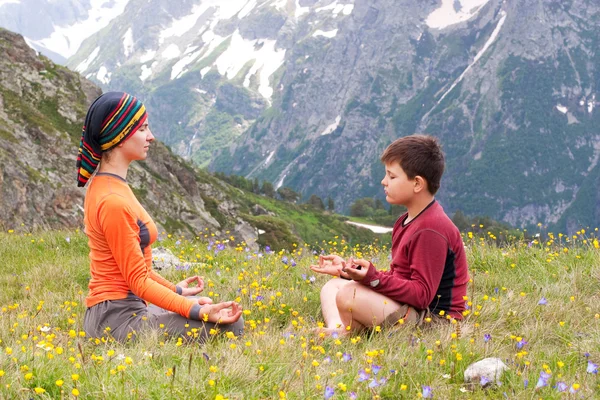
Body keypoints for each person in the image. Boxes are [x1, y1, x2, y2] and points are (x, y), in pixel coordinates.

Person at [77, 91, 243, 342]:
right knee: (232, 325)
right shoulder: (112, 201)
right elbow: (137, 280)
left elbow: (132, 268)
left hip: (119, 309)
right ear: (120, 136)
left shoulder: (109, 185)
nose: (151, 137)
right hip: (115, 320)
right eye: (143, 129)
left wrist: (176, 291)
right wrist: (198, 311)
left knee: (198, 304)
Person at [311, 134, 469, 334]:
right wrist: (349, 271)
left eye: (392, 176)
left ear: (417, 184)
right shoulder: (406, 220)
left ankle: (342, 333)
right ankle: (340, 331)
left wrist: (373, 279)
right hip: (412, 308)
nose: (384, 181)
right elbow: (400, 277)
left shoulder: (431, 229)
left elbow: (421, 295)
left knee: (347, 294)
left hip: (435, 323)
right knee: (333, 287)